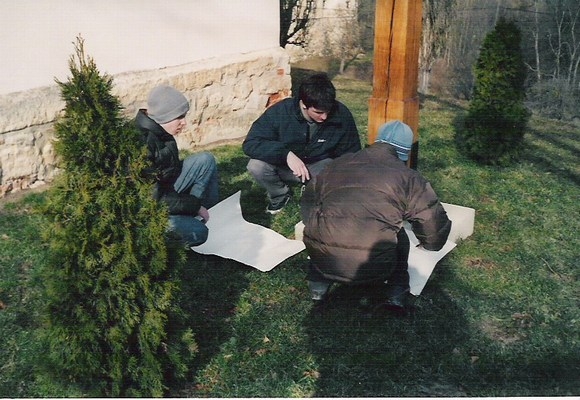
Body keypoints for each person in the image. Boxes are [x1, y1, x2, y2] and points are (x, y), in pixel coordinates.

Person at [300, 120, 452, 310]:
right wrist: (432, 245)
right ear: (404, 152)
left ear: (377, 141)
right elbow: (432, 223)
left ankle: (318, 287)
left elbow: (308, 204)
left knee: (324, 227)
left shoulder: (337, 164)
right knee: (399, 235)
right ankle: (397, 293)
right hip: (373, 268)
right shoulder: (409, 178)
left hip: (322, 258)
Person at [243, 73, 361, 214]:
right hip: (285, 167)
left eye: (327, 111)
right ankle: (280, 194)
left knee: (334, 169)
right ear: (304, 105)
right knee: (256, 165)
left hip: (319, 166)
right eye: (318, 112)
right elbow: (251, 143)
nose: (324, 117)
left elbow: (352, 153)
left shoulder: (341, 114)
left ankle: (315, 191)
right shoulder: (280, 111)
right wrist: (285, 154)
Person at [135, 85, 219, 247]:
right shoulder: (140, 144)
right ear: (164, 116)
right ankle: (193, 218)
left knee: (205, 160)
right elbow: (154, 199)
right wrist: (193, 205)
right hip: (147, 209)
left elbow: (169, 173)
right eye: (179, 117)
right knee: (199, 232)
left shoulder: (161, 130)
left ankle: (209, 215)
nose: (184, 123)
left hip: (164, 190)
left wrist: (191, 205)